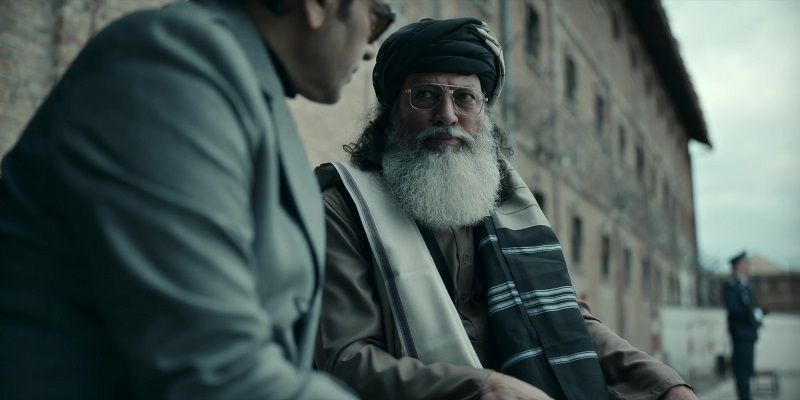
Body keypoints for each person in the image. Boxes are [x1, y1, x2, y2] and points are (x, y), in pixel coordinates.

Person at [0, 0, 394, 398]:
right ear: (317, 5)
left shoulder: (245, 86)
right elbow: (217, 369)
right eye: (377, 19)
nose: (370, 49)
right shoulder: (171, 66)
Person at [314, 17, 697, 400]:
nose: (447, 115)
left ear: (483, 112)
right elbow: (347, 358)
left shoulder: (502, 201)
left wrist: (663, 384)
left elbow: (563, 318)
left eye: (464, 98)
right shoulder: (346, 209)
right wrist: (481, 387)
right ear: (392, 112)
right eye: (426, 96)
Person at [723, 251, 763, 400]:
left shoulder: (746, 284)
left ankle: (746, 396)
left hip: (750, 333)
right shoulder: (731, 285)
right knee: (741, 371)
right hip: (740, 333)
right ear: (739, 265)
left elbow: (752, 305)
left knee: (748, 370)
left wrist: (759, 314)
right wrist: (750, 314)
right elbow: (733, 310)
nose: (749, 266)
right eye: (746, 263)